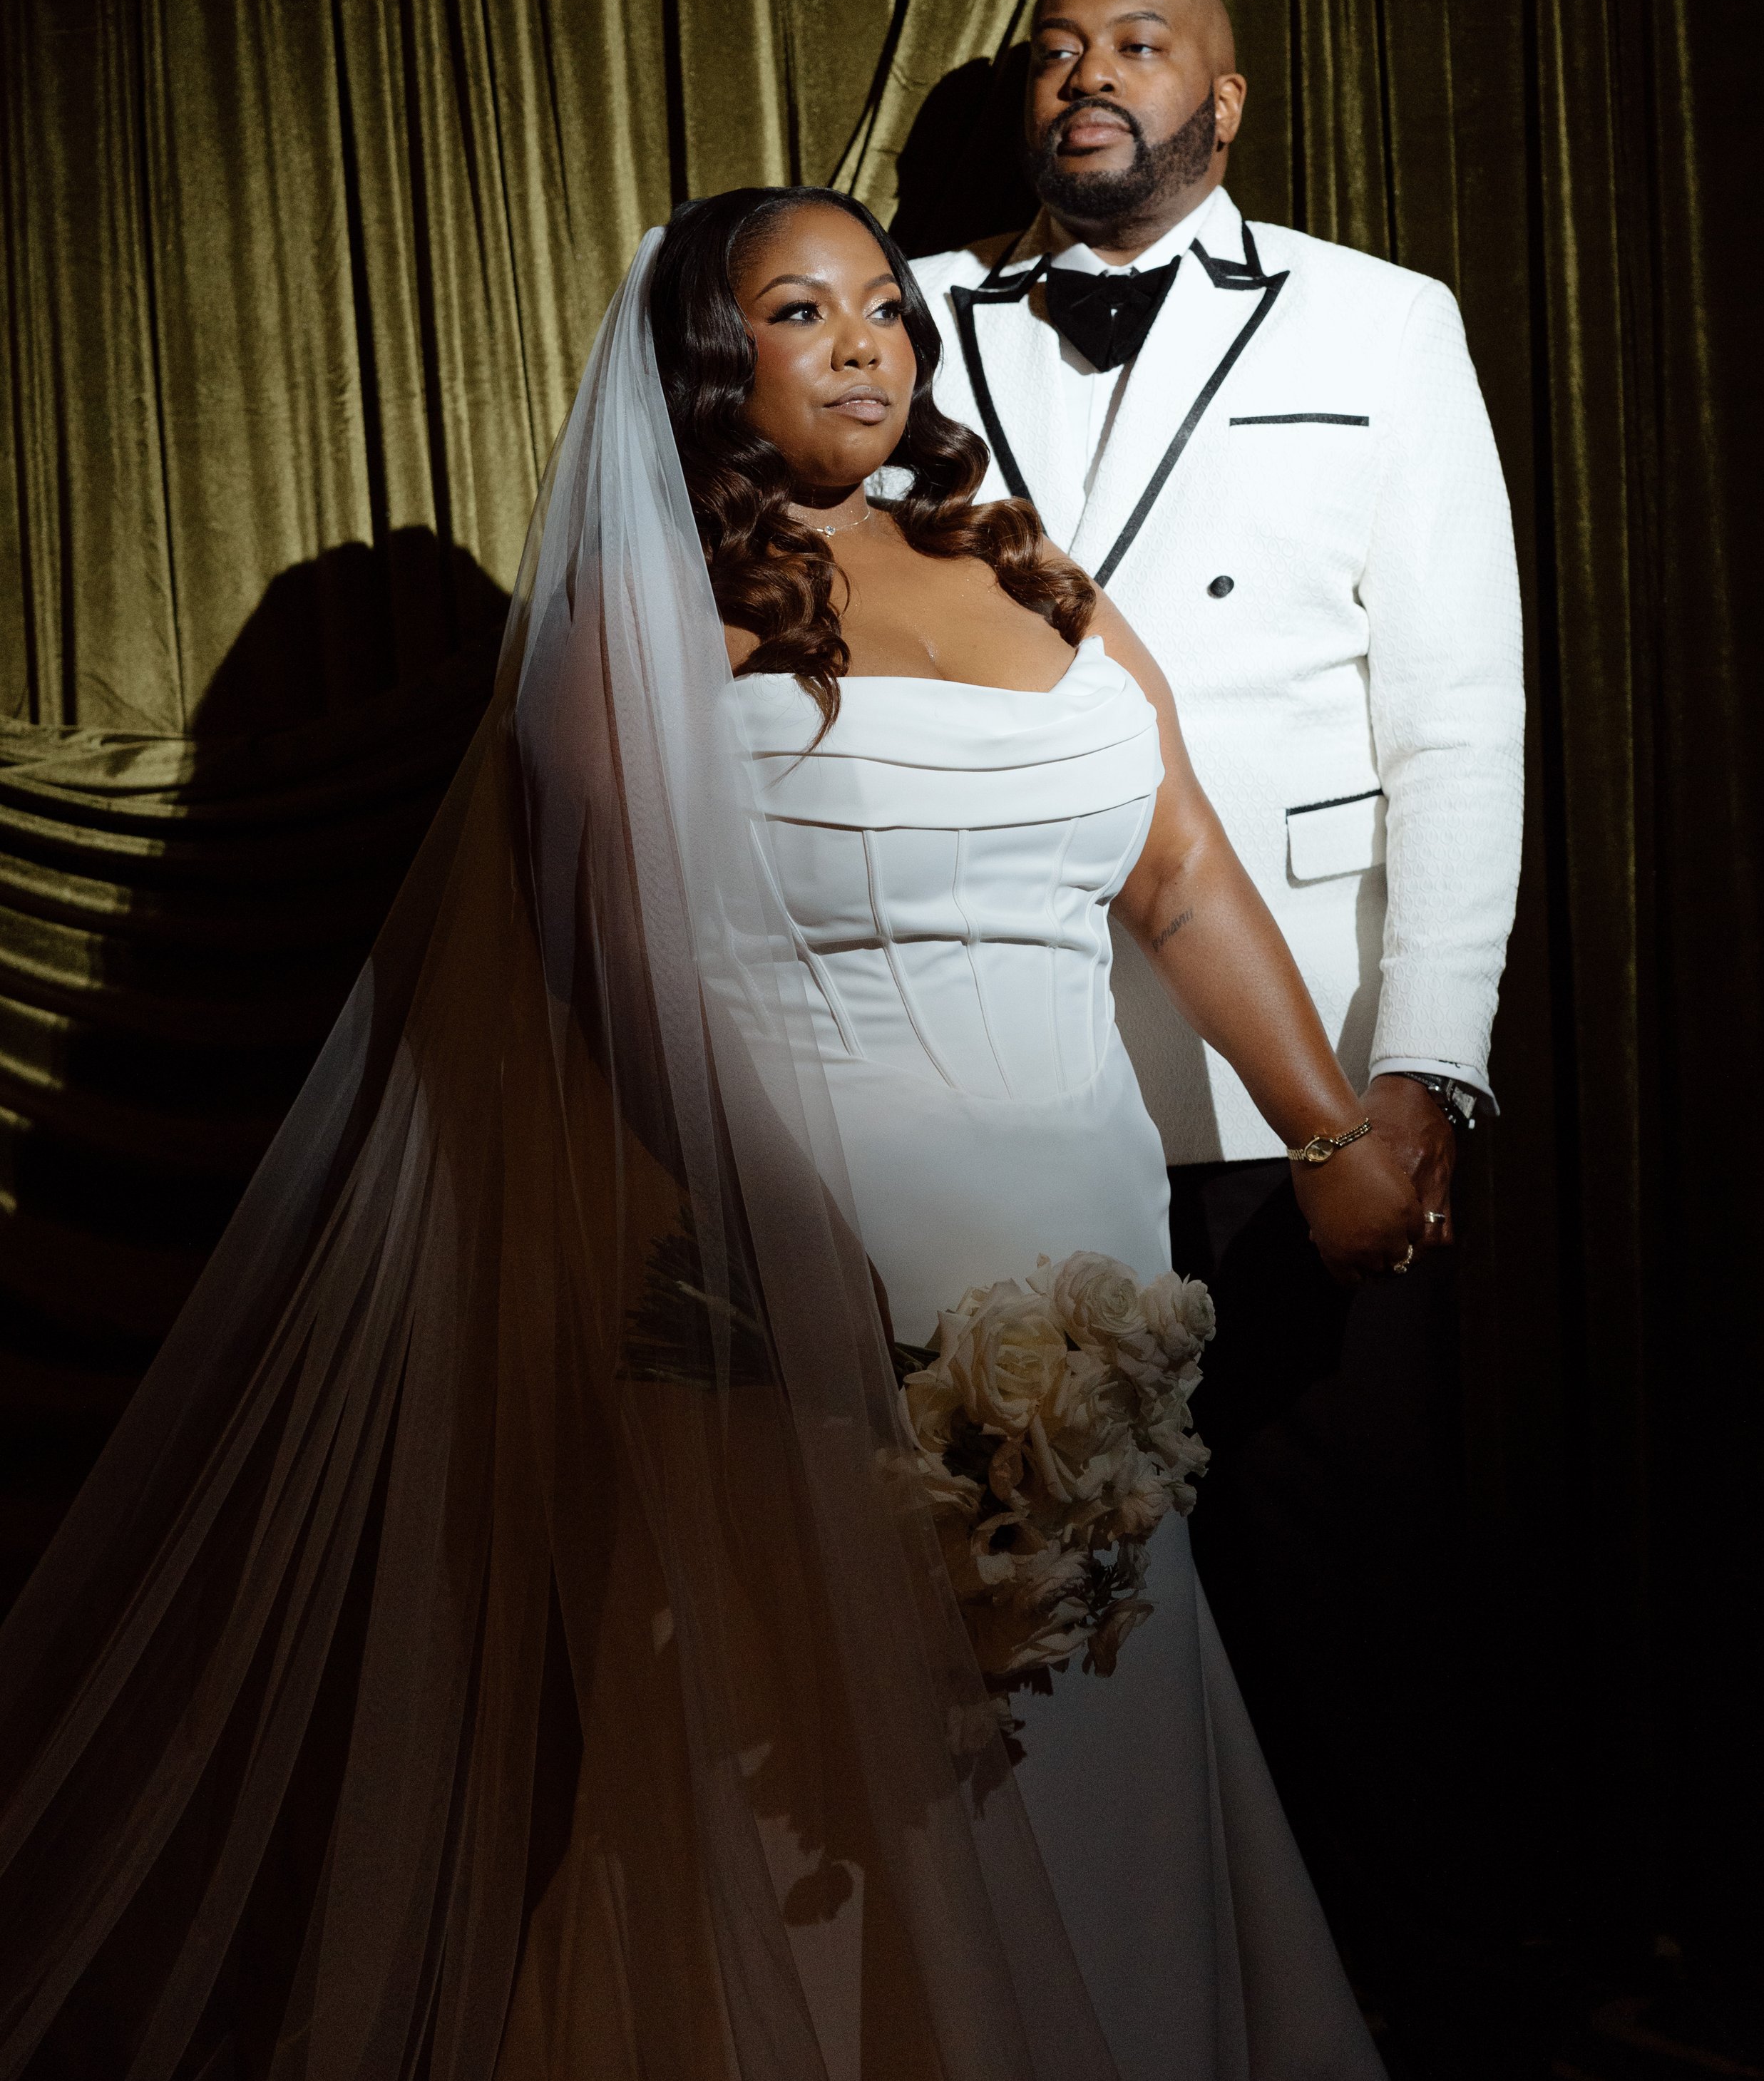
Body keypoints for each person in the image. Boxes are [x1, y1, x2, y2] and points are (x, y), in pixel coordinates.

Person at [0, 187, 1399, 2081]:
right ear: (706, 367)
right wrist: (814, 1269)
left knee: (1098, 1715)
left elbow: (1173, 864)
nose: (864, 339)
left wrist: (1330, 1130)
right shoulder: (636, 629)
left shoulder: (1021, 570)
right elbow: (616, 973)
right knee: (825, 1790)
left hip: (1091, 1273)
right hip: (792, 1294)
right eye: (799, 310)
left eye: (883, 304)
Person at [907, 0, 1524, 2003]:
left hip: (1297, 1088)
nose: (1089, 76)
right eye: (1058, 50)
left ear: (1225, 103)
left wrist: (1416, 1069)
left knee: (1341, 1625)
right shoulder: (898, 322)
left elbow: (1459, 720)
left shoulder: (1382, 319)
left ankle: (1408, 2033)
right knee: (1049, 1643)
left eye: (1138, 44)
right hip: (998, 1072)